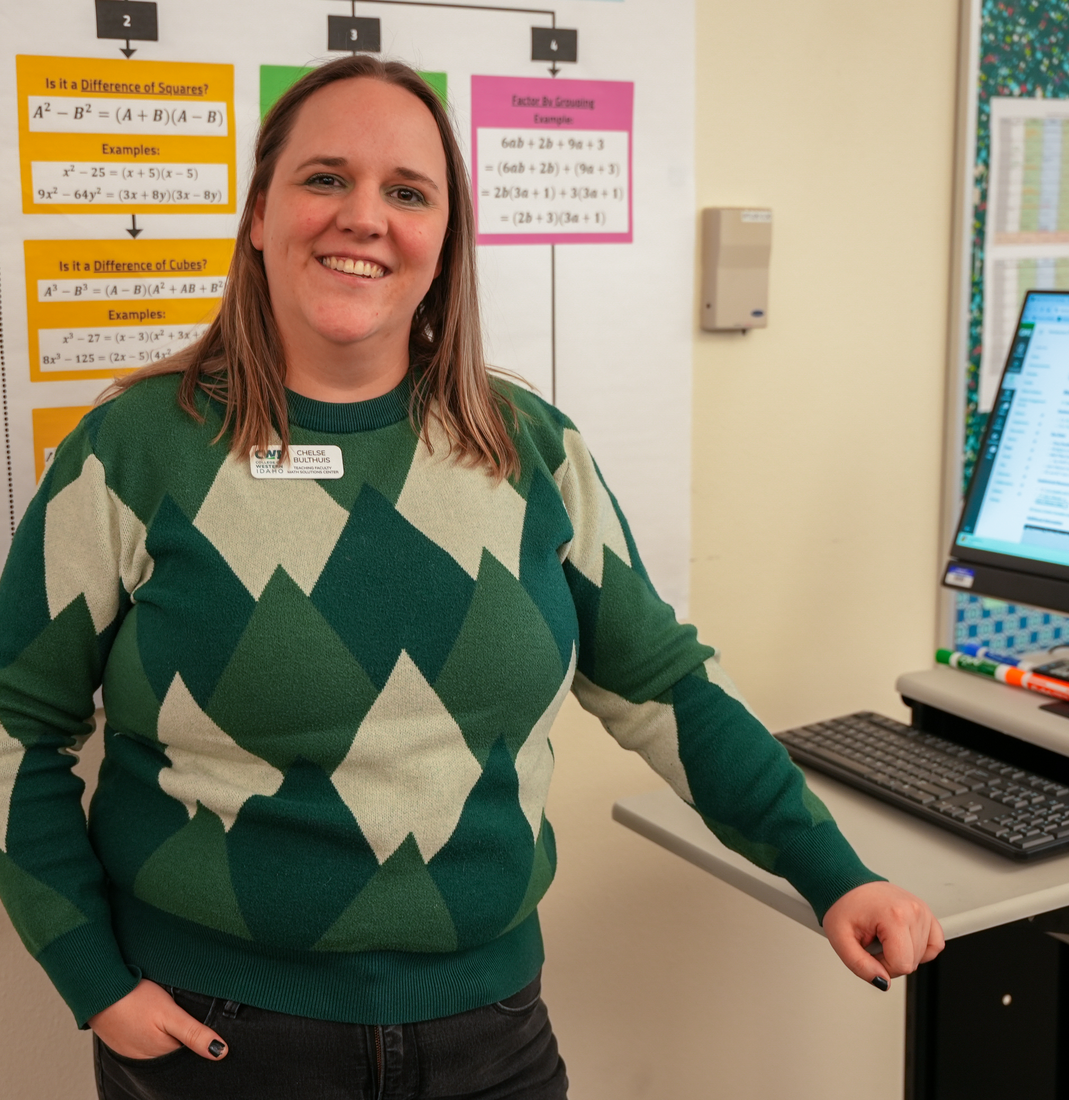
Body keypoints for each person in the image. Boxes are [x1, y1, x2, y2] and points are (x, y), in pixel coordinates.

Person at [0, 55, 944, 1100]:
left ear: (444, 240)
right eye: (325, 179)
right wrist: (94, 984)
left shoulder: (526, 448)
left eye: (407, 192)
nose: (364, 215)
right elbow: (12, 724)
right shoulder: (135, 450)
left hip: (490, 1034)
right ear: (259, 214)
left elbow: (663, 687)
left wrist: (832, 873)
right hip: (217, 1039)